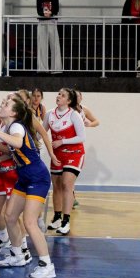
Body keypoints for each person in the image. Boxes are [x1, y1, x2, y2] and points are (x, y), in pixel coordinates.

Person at [0, 95, 56, 278]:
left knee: (30, 222)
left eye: (7, 104)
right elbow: (14, 150)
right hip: (25, 177)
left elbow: (16, 142)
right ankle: (19, 255)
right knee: (9, 216)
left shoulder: (16, 126)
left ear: (13, 112)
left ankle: (47, 265)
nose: (3, 104)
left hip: (37, 177)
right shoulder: (10, 126)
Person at [44, 88, 86, 236]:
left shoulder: (74, 115)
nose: (58, 96)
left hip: (75, 154)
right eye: (58, 94)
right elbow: (41, 132)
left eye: (62, 95)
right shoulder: (49, 114)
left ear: (68, 101)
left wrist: (62, 141)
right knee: (56, 186)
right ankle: (57, 216)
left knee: (67, 184)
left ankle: (66, 221)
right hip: (57, 155)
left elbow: (81, 137)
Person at [72, 90, 100, 208]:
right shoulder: (69, 110)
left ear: (81, 98)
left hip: (77, 144)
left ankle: (71, 198)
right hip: (67, 143)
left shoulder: (84, 109)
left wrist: (89, 124)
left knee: (72, 175)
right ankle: (70, 198)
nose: (77, 98)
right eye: (75, 96)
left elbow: (97, 121)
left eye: (79, 96)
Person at [36, 0, 62, 73]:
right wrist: (44, 14)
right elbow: (39, 11)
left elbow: (56, 9)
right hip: (42, 22)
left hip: (52, 22)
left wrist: (50, 13)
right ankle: (43, 69)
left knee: (55, 46)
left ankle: (56, 69)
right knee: (42, 46)